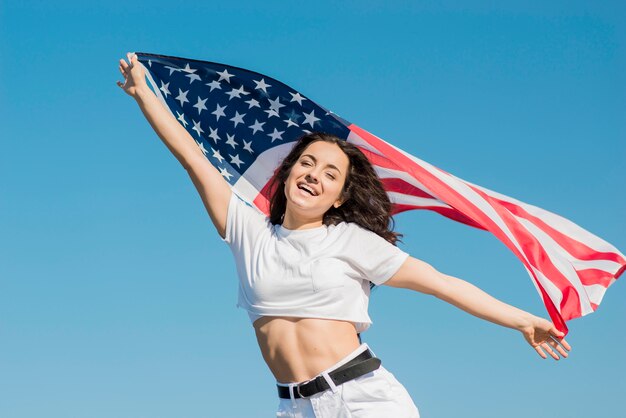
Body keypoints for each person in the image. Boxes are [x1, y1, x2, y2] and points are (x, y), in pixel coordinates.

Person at [117, 52, 571, 418]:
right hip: (292, 407)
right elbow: (194, 159)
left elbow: (443, 284)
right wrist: (144, 95)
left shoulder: (351, 240)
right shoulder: (247, 232)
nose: (315, 175)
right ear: (287, 173)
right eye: (307, 164)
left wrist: (521, 320)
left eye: (330, 173)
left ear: (338, 196)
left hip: (362, 400)